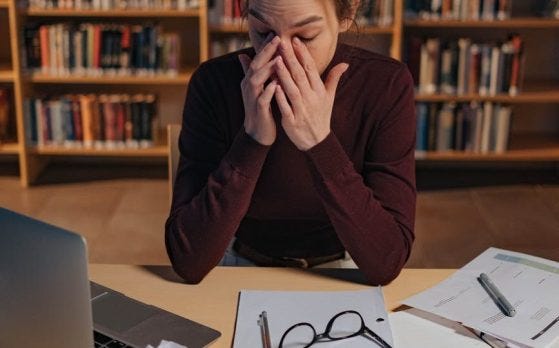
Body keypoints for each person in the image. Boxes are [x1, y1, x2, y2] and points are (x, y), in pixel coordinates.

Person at [165, 0, 416, 285]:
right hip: (239, 263)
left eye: (305, 36)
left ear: (346, 16)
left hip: (345, 267)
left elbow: (387, 261)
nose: (281, 57)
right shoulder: (214, 82)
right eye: (263, 32)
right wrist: (252, 141)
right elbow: (188, 261)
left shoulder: (386, 85)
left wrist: (320, 143)